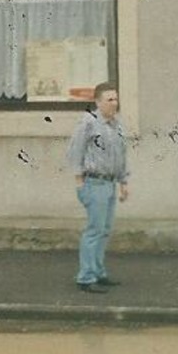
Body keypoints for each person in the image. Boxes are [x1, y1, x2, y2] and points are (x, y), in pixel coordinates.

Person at [64, 81, 129, 293]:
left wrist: (123, 182)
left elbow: (120, 156)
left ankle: (99, 272)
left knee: (104, 230)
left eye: (116, 99)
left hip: (109, 183)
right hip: (94, 183)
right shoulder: (89, 123)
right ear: (98, 102)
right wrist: (79, 182)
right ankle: (86, 277)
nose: (114, 103)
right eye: (109, 99)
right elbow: (74, 152)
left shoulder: (116, 125)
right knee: (94, 230)